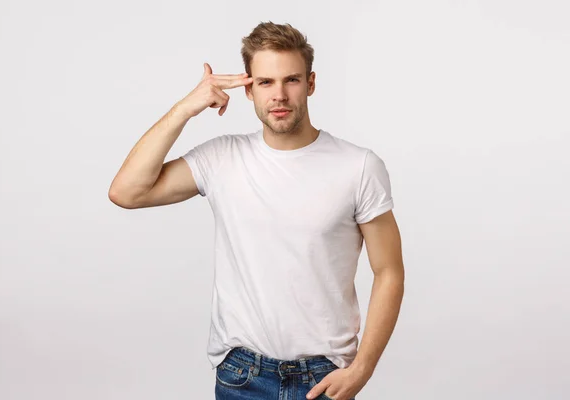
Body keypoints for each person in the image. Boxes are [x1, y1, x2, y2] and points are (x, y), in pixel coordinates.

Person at [109, 21, 404, 400]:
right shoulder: (222, 158)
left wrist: (361, 370)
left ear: (310, 83)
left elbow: (389, 270)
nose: (279, 95)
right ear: (248, 89)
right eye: (265, 82)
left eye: (291, 80)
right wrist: (186, 107)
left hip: (325, 377)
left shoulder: (358, 166)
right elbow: (126, 192)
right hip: (242, 376)